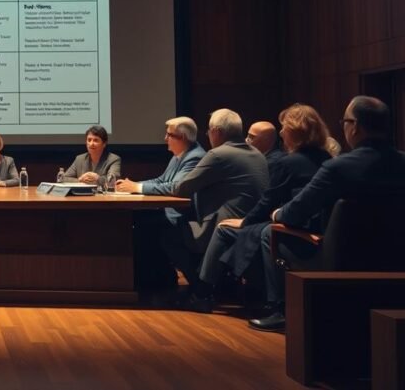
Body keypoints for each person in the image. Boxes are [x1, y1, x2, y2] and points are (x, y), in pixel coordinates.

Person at [249, 96, 405, 331]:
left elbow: (296, 212)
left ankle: (281, 310)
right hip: (396, 254)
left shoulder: (338, 167)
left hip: (344, 255)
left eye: (345, 121)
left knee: (270, 233)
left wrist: (277, 214)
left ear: (355, 126)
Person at [189, 104, 331, 313]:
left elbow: (269, 201)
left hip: (293, 229)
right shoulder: (327, 159)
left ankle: (203, 293)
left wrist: (246, 221)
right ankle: (219, 291)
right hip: (319, 228)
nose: (281, 133)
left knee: (224, 228)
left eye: (284, 128)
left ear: (295, 131)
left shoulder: (289, 163)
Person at [164, 108, 269, 296]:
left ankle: (200, 289)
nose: (208, 135)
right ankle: (215, 285)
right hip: (255, 225)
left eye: (209, 131)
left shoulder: (218, 154)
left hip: (220, 227)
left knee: (167, 230)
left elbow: (181, 188)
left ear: (217, 132)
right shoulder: (258, 154)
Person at [116, 117, 206, 194]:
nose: (165, 138)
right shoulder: (179, 154)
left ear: (182, 137)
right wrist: (131, 185)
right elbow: (161, 181)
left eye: (169, 135)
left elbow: (175, 187)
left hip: (182, 209)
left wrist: (137, 187)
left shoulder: (195, 157)